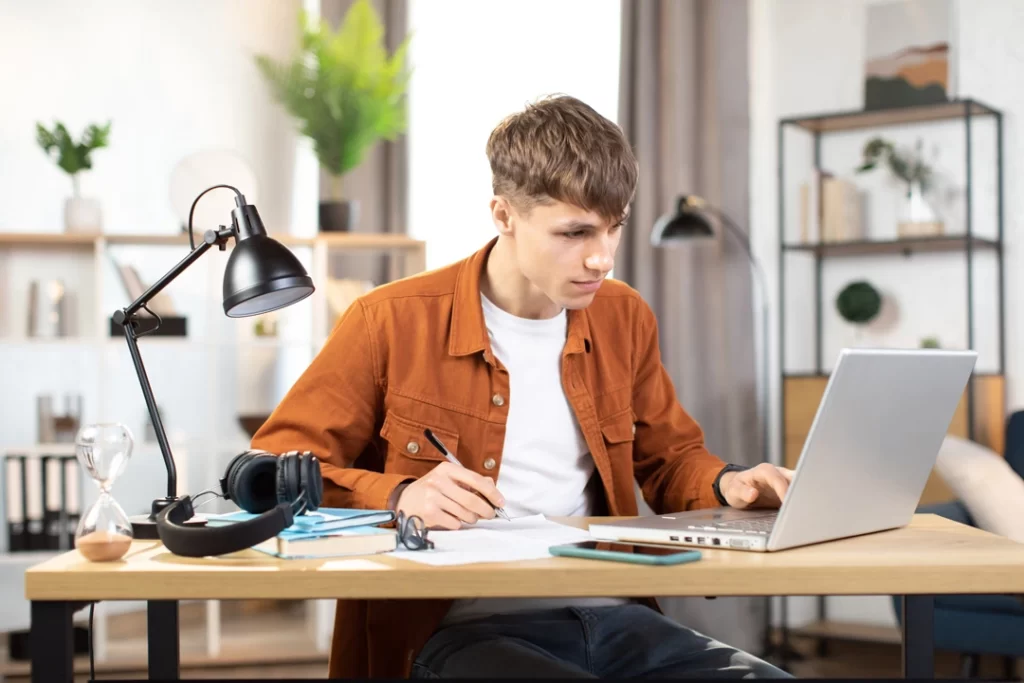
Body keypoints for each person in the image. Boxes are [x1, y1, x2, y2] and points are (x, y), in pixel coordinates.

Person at [251, 94, 793, 679]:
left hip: (616, 616)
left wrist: (728, 482)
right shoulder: (388, 320)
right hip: (461, 631)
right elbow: (271, 470)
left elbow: (670, 461)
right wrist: (395, 497)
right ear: (504, 215)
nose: (602, 257)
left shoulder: (624, 316)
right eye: (575, 232)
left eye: (615, 228)